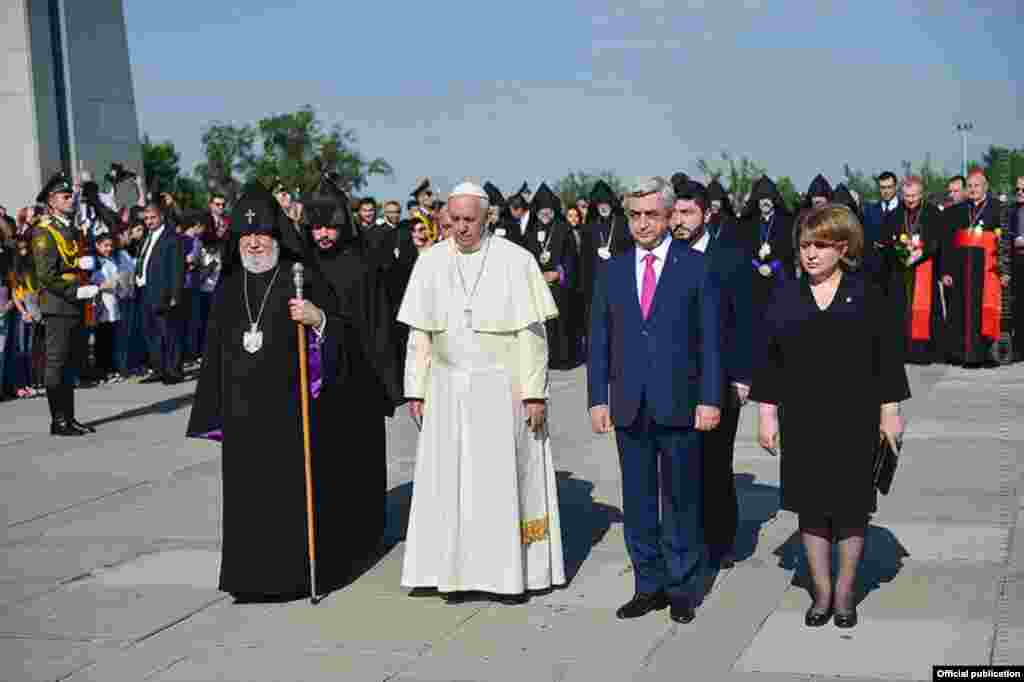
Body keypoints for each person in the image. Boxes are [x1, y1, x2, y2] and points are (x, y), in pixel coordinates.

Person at [187, 182, 357, 600]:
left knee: (290, 497)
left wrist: (317, 319)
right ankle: (249, 579)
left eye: (262, 232)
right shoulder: (228, 287)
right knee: (248, 499)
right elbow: (214, 355)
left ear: (277, 234)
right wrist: (215, 409)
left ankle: (295, 577)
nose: (256, 241)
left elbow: (341, 336)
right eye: (247, 235)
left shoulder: (300, 279)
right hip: (244, 413)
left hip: (290, 409)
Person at [398, 181, 565, 603]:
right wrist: (415, 389)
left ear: (487, 217)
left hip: (501, 390)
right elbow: (420, 336)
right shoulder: (432, 262)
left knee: (497, 486)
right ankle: (450, 573)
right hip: (447, 388)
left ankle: (505, 576)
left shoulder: (516, 260)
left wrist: (534, 393)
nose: (460, 228)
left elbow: (533, 334)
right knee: (450, 485)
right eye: (453, 220)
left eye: (468, 220)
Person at [752, 204, 909, 629]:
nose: (811, 254)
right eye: (805, 245)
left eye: (821, 245)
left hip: (855, 417)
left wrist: (889, 413)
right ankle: (821, 592)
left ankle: (845, 593)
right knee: (812, 509)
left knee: (852, 509)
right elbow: (770, 361)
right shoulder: (785, 293)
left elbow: (887, 359)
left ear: (843, 247)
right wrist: (767, 416)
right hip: (803, 418)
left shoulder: (867, 291)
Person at [588, 176, 722, 625]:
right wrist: (597, 398)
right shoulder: (612, 269)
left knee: (681, 499)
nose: (642, 223)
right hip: (628, 403)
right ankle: (649, 584)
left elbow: (710, 341)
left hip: (681, 403)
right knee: (639, 500)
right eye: (635, 215)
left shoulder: (695, 266)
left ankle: (683, 587)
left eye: (652, 215)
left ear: (669, 217)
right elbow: (600, 339)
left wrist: (709, 399)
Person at [303, 172, 404, 558]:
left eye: (330, 226)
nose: (324, 235)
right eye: (317, 227)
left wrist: (388, 384)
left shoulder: (361, 265)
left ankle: (367, 531)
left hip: (359, 379)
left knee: (360, 464)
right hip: (316, 381)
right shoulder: (303, 266)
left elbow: (379, 326)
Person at [672, 181, 754, 570]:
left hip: (719, 378)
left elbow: (745, 322)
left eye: (687, 213)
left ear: (707, 214)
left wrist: (742, 377)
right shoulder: (664, 256)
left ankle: (720, 543)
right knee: (678, 466)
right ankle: (684, 540)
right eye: (674, 212)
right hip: (672, 381)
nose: (679, 220)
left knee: (715, 464)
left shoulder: (730, 257)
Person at [31, 172, 99, 436]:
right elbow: (46, 275)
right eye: (65, 196)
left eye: (71, 195)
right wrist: (76, 291)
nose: (71, 200)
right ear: (51, 200)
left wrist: (82, 267)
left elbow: (67, 262)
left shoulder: (68, 227)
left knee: (69, 363)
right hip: (59, 304)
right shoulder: (43, 230)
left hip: (72, 302)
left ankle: (69, 418)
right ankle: (58, 420)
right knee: (57, 363)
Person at [940, 169, 1006, 367]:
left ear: (985, 187)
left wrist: (1005, 271)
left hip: (987, 269)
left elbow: (1005, 242)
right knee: (960, 311)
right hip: (961, 268)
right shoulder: (957, 210)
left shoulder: (998, 208)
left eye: (977, 185)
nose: (973, 189)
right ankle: (963, 354)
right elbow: (947, 244)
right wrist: (946, 271)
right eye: (969, 186)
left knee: (985, 311)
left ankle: (986, 355)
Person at [882, 176, 945, 363]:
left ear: (921, 194)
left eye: (914, 196)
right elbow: (887, 241)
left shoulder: (933, 213)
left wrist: (922, 253)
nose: (910, 200)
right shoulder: (894, 215)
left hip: (924, 268)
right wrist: (900, 252)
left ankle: (924, 352)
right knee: (901, 310)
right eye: (907, 196)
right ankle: (902, 351)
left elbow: (938, 241)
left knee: (925, 310)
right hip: (900, 271)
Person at [522, 183, 578, 369]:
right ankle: (542, 359)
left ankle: (563, 359)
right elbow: (526, 258)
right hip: (537, 285)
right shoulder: (530, 231)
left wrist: (559, 273)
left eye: (548, 209)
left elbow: (571, 257)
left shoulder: (564, 229)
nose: (545, 213)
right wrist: (536, 274)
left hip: (559, 286)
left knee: (561, 323)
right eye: (542, 209)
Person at [135, 203, 185, 384]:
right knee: (151, 332)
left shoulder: (172, 237)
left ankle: (174, 370)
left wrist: (175, 294)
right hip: (144, 290)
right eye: (146, 219)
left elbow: (177, 268)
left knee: (169, 332)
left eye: (152, 218)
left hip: (163, 292)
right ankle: (158, 368)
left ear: (161, 217)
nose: (149, 221)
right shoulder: (146, 237)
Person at [578, 180, 633, 343]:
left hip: (619, 281)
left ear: (611, 204)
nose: (603, 207)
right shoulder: (589, 227)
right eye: (599, 204)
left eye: (606, 204)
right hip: (595, 283)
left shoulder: (623, 224)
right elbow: (584, 259)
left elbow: (630, 252)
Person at [738, 176, 795, 308]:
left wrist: (772, 266)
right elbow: (745, 250)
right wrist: (758, 266)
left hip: (779, 277)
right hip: (755, 278)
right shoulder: (749, 223)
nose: (765, 202)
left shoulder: (786, 222)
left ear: (774, 200)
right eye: (762, 199)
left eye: (768, 198)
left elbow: (789, 249)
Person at [862, 171, 900, 249]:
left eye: (889, 187)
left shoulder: (904, 210)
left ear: (896, 187)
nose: (886, 191)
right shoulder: (869, 211)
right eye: (883, 187)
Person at [1009, 175, 1024, 362]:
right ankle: (1019, 347)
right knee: (1017, 306)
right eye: (1017, 190)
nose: (1020, 193)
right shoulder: (1012, 211)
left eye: (1023, 190)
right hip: (1016, 263)